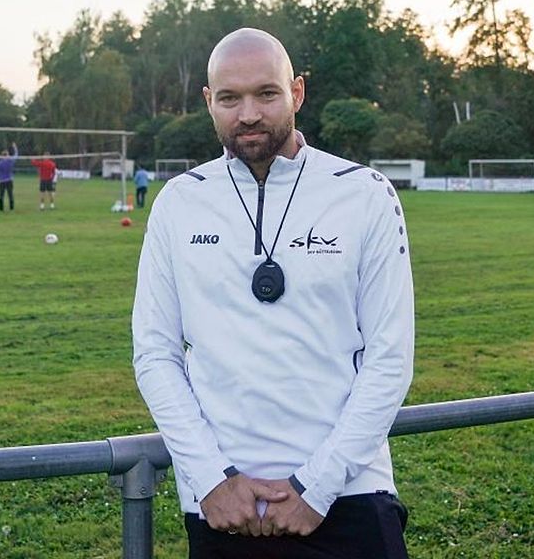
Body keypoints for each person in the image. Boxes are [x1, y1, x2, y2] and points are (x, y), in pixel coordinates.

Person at [132, 28, 415, 559]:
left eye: (266, 93)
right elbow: (154, 354)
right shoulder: (179, 203)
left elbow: (390, 360)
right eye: (229, 98)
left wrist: (318, 487)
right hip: (223, 507)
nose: (248, 115)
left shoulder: (364, 194)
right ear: (207, 102)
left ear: (298, 93)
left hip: (348, 497)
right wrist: (211, 479)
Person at [0, 143, 18, 211]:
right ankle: (11, 208)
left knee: (1, 195)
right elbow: (16, 155)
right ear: (7, 155)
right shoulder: (10, 161)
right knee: (10, 194)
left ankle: (1, 208)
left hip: (2, 181)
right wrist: (15, 147)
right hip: (9, 180)